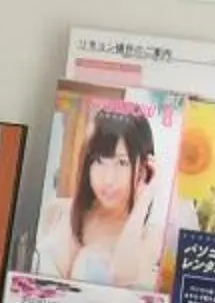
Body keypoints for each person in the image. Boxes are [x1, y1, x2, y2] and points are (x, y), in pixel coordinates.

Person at [33, 106, 168, 289]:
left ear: (144, 168)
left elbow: (122, 278)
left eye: (122, 162)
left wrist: (145, 199)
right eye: (98, 161)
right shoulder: (56, 211)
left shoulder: (150, 235)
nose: (108, 179)